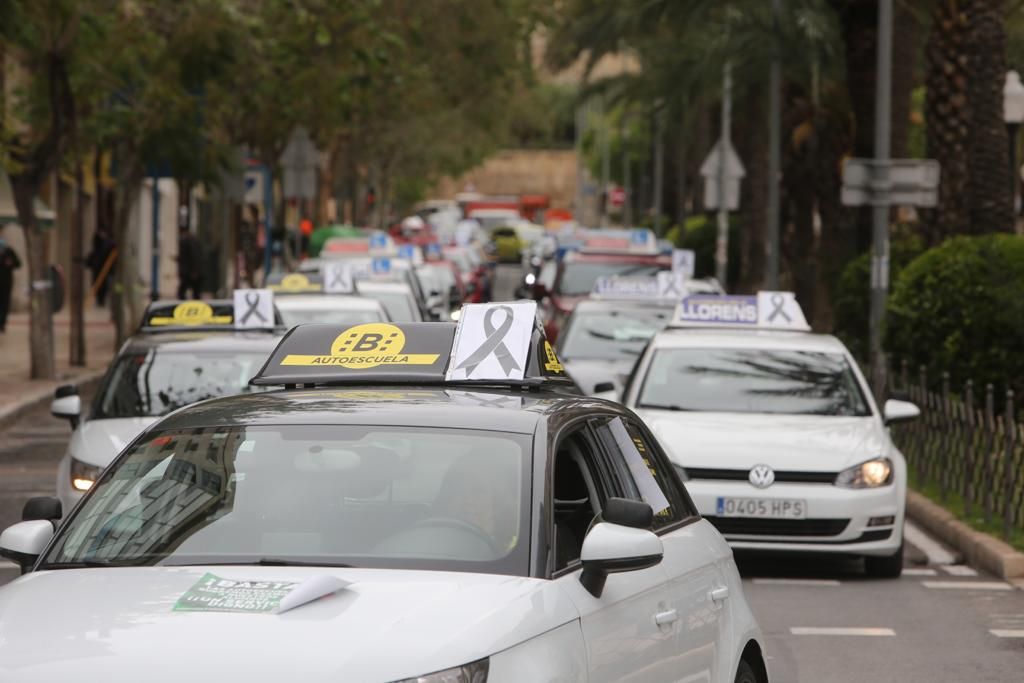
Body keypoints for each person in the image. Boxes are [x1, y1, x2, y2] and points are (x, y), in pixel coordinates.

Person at [86, 228, 116, 306]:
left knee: (103, 287)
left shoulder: (106, 246)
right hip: (98, 269)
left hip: (103, 269)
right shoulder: (99, 246)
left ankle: (101, 300)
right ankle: (100, 300)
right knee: (100, 286)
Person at [0, 231, 21, 332]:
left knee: (4, 303)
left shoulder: (9, 251)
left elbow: (18, 263)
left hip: (6, 283)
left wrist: (11, 263)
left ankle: (2, 323)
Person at [176, 226, 203, 300]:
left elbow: (194, 256)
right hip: (191, 271)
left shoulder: (188, 242)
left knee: (183, 291)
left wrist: (194, 271)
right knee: (195, 292)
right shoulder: (193, 241)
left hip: (189, 272)